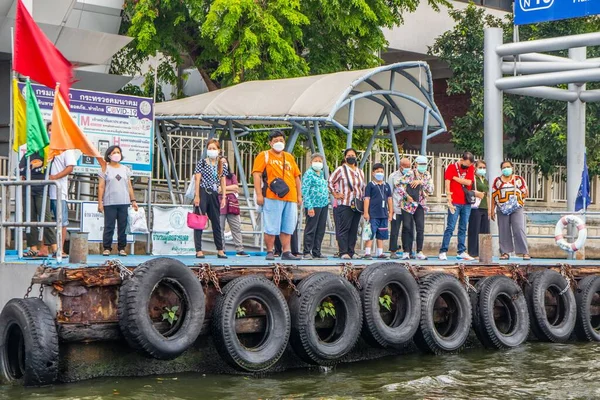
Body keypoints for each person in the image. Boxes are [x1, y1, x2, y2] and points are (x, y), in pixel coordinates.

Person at [252, 130, 302, 261]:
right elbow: (256, 174)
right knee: (271, 225)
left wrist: (299, 196)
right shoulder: (264, 155)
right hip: (272, 196)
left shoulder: (289, 157)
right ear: (270, 143)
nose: (278, 143)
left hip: (290, 197)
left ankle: (286, 251)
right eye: (275, 141)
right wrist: (259, 194)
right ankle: (270, 251)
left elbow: (297, 177)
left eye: (281, 140)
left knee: (288, 225)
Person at [98, 145, 138, 256]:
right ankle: (107, 248)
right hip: (110, 202)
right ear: (109, 155)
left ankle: (122, 248)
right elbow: (101, 186)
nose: (117, 154)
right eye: (114, 152)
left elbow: (129, 186)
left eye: (118, 152)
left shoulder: (125, 169)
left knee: (123, 226)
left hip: (124, 202)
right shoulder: (105, 168)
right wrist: (100, 202)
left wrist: (133, 200)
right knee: (109, 226)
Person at [193, 139, 228, 259]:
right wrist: (197, 196)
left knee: (216, 222)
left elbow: (223, 180)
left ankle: (220, 249)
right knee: (199, 221)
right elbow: (197, 179)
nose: (211, 151)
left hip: (214, 194)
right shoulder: (202, 163)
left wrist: (223, 196)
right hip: (203, 192)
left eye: (214, 148)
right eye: (210, 148)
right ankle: (198, 250)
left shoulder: (221, 164)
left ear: (218, 150)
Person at [328, 148, 365, 260]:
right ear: (345, 157)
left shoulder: (360, 172)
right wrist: (335, 193)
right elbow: (330, 181)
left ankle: (351, 251)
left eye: (353, 155)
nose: (351, 157)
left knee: (354, 228)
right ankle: (343, 251)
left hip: (356, 204)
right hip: (345, 203)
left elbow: (362, 187)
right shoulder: (340, 170)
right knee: (344, 228)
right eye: (349, 155)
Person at [19, 149, 57, 257]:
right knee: (29, 218)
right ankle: (33, 248)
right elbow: (20, 170)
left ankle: (55, 247)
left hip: (42, 189)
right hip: (28, 189)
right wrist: (31, 167)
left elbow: (50, 166)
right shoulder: (28, 154)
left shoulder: (47, 152)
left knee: (46, 217)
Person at [490, 160, 531, 260]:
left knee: (518, 228)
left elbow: (526, 192)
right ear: (501, 169)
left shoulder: (518, 179)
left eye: (508, 167)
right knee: (503, 230)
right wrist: (492, 210)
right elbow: (494, 195)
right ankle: (505, 252)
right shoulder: (497, 181)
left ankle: (524, 252)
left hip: (516, 208)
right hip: (502, 208)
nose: (506, 169)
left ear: (512, 168)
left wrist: (517, 198)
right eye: (504, 167)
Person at [439, 151, 475, 261]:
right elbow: (447, 183)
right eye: (466, 164)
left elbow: (469, 182)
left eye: (469, 165)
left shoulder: (471, 168)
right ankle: (443, 251)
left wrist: (455, 178)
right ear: (461, 159)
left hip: (466, 202)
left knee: (463, 227)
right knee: (450, 226)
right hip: (455, 201)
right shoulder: (451, 167)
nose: (467, 167)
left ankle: (461, 251)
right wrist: (449, 199)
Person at [47, 122, 77, 257]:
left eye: (54, 130)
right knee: (45, 220)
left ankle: (60, 249)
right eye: (49, 130)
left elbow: (70, 167)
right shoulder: (45, 148)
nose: (51, 133)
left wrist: (55, 177)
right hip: (44, 191)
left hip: (59, 192)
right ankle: (45, 249)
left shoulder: (66, 148)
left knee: (62, 221)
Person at [397, 155, 434, 260]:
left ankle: (419, 251)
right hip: (408, 204)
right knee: (407, 226)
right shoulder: (409, 174)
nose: (423, 166)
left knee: (420, 227)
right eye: (421, 164)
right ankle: (406, 251)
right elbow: (399, 185)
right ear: (416, 164)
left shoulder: (427, 175)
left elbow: (431, 189)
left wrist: (421, 182)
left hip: (420, 204)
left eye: (425, 164)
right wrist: (406, 196)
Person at [301, 153, 329, 260]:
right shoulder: (308, 174)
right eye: (316, 161)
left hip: (323, 204)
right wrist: (309, 206)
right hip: (313, 204)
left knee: (320, 228)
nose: (318, 163)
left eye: (320, 161)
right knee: (311, 228)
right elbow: (305, 190)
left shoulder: (321, 173)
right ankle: (307, 251)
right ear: (311, 162)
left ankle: (317, 251)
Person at [219, 158, 249, 257]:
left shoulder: (232, 176)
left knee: (236, 227)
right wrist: (229, 190)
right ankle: (221, 249)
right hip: (220, 204)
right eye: (221, 162)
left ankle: (240, 249)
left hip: (232, 204)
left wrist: (223, 189)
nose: (224, 164)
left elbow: (236, 188)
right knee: (220, 228)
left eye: (225, 162)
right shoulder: (216, 176)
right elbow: (217, 190)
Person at [363, 163, 393, 259]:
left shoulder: (386, 185)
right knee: (370, 233)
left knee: (381, 234)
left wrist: (391, 212)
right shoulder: (370, 185)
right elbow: (367, 199)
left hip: (383, 214)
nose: (380, 173)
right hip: (373, 214)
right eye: (377, 172)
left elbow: (389, 199)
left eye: (381, 172)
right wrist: (366, 212)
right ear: (373, 173)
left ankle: (380, 252)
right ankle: (367, 252)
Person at [468, 160, 490, 258]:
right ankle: (473, 252)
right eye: (480, 167)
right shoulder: (473, 179)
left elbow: (488, 194)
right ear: (475, 168)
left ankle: (483, 252)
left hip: (484, 206)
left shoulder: (485, 180)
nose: (482, 170)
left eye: (484, 168)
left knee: (485, 230)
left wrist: (490, 209)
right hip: (476, 207)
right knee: (474, 229)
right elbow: (468, 191)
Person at [387, 162, 404, 259]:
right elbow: (390, 193)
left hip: (407, 208)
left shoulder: (411, 175)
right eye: (405, 166)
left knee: (408, 229)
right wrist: (390, 209)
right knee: (394, 230)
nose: (407, 168)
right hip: (396, 207)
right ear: (400, 166)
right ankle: (393, 250)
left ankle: (408, 250)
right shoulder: (393, 176)